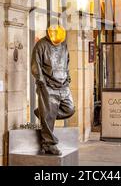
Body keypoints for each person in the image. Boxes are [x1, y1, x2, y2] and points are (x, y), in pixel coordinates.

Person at [32, 25, 75, 155]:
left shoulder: (63, 45)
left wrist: (67, 78)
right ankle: (49, 143)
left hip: (63, 85)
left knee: (69, 109)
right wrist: (41, 83)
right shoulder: (41, 45)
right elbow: (35, 65)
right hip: (47, 85)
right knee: (48, 116)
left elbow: (66, 63)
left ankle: (42, 113)